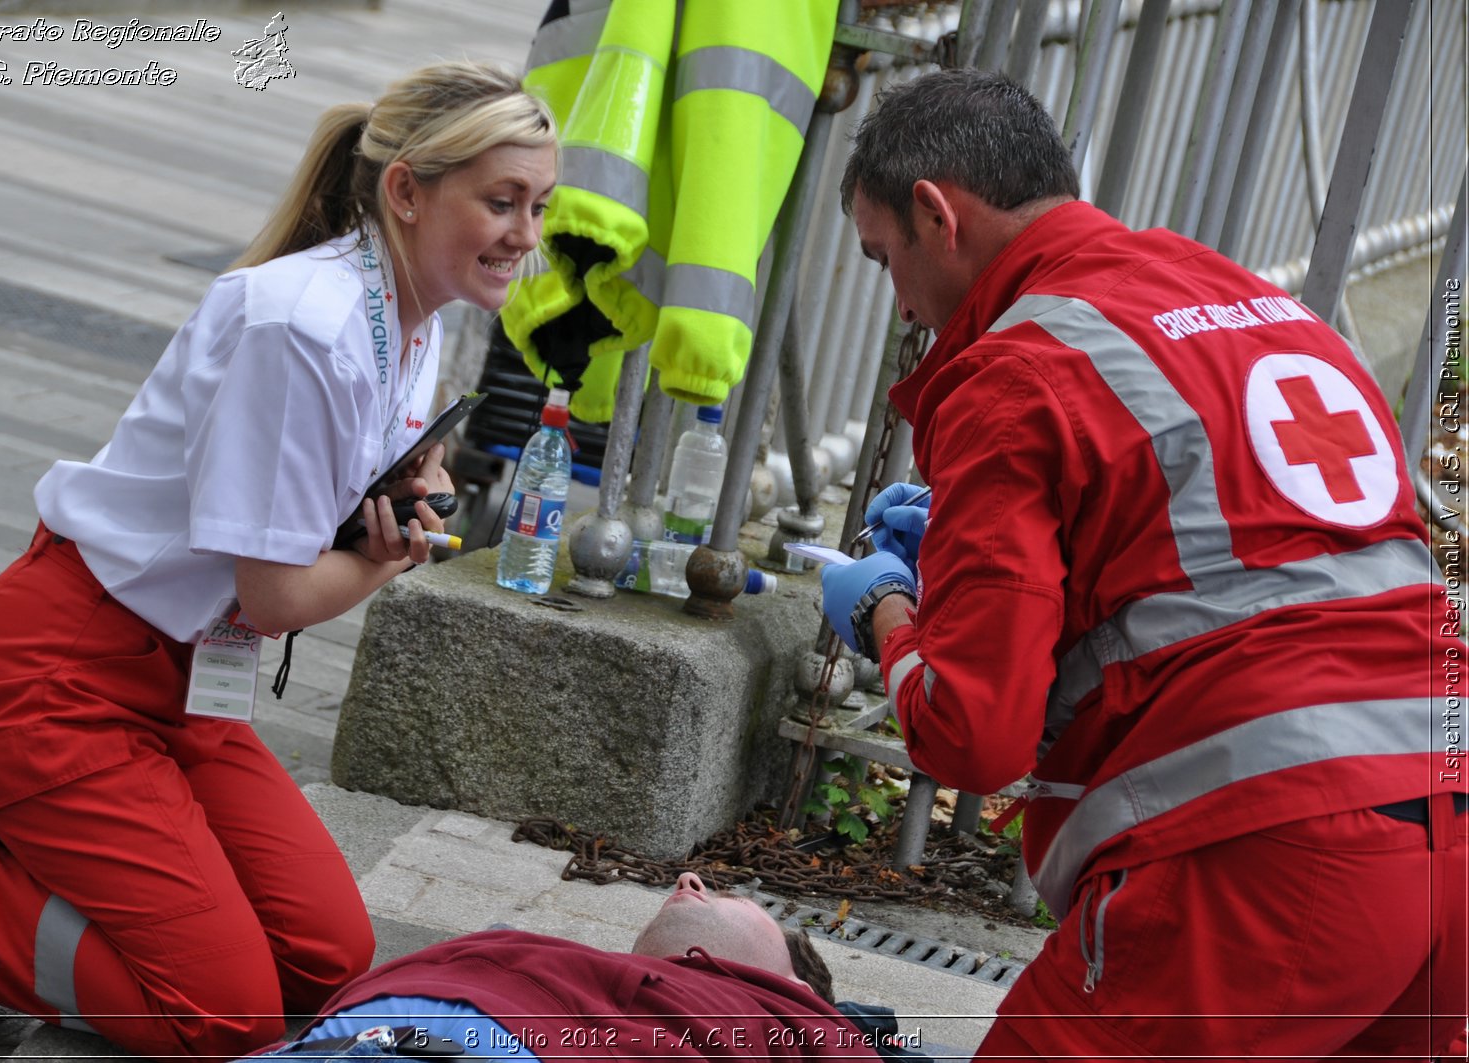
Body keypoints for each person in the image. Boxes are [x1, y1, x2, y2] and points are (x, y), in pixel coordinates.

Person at [0, 61, 557, 1059]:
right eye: (501, 202)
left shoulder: (413, 311)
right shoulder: (304, 324)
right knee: (219, 1015)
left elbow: (410, 446)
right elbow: (275, 597)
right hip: (55, 679)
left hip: (188, 684)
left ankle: (38, 840)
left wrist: (420, 485)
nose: (526, 235)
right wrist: (387, 558)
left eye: (537, 205)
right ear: (406, 191)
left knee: (326, 961)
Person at [820, 68, 1467, 1060]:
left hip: (1265, 853)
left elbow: (974, 732)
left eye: (882, 260)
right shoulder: (1246, 300)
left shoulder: (1013, 370)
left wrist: (889, 612)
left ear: (934, 213)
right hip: (1442, 818)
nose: (903, 307)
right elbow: (1223, 555)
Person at [248, 872, 918, 1061]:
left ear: (798, 986)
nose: (690, 878)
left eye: (726, 895)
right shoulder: (539, 952)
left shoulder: (804, 1032)